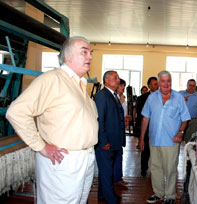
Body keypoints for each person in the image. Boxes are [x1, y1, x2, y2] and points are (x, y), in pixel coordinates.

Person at [6, 36, 99, 204]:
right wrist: (40, 146)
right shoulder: (52, 79)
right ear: (68, 56)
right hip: (63, 160)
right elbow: (16, 111)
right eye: (84, 52)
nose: (90, 57)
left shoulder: (78, 85)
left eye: (90, 53)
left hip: (85, 159)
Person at [138, 70, 190, 204]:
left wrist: (180, 133)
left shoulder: (178, 98)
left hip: (171, 141)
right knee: (155, 168)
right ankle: (159, 193)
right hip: (154, 140)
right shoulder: (151, 97)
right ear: (159, 82)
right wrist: (141, 138)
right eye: (163, 81)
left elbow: (185, 118)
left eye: (168, 81)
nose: (166, 84)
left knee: (171, 169)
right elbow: (145, 118)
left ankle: (171, 195)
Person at [94, 71, 125, 204]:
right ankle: (110, 199)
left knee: (106, 172)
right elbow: (99, 120)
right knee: (106, 172)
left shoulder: (113, 95)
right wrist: (103, 141)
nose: (118, 80)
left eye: (118, 78)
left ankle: (103, 195)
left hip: (114, 141)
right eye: (115, 78)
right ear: (106, 81)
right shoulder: (102, 96)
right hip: (106, 143)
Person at [136, 76, 159, 177]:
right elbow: (140, 116)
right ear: (149, 86)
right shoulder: (142, 98)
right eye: (154, 84)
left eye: (157, 83)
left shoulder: (163, 96)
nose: (157, 86)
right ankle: (143, 169)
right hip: (147, 128)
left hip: (159, 129)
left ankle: (156, 170)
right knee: (145, 150)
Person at [113, 78, 131, 186]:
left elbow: (123, 112)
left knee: (119, 153)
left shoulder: (122, 98)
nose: (123, 88)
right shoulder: (113, 98)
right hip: (114, 129)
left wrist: (127, 117)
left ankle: (118, 177)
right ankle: (114, 178)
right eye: (121, 86)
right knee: (115, 154)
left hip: (121, 129)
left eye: (124, 86)